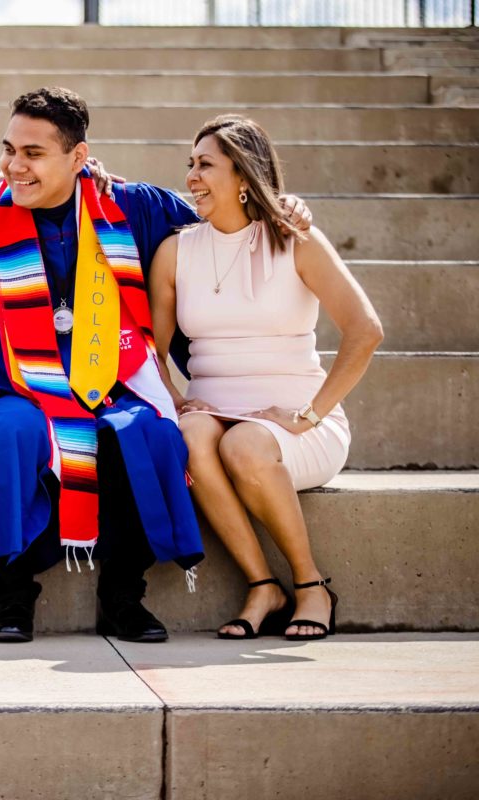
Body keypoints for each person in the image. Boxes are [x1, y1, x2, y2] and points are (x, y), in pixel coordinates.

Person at [0, 87, 311, 644]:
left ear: (78, 158)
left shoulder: (130, 208)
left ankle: (123, 598)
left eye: (34, 154)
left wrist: (279, 206)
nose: (14, 166)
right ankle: (14, 598)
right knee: (9, 434)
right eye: (9, 150)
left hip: (111, 384)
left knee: (144, 429)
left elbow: (222, 220)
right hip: (17, 390)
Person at [149, 114, 382, 641]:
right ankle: (262, 585)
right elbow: (150, 350)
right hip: (212, 414)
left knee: (247, 445)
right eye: (190, 164)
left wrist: (309, 415)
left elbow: (366, 330)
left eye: (206, 164)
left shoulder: (296, 240)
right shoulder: (175, 251)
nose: (192, 176)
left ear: (244, 175)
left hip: (298, 426)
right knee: (188, 436)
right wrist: (175, 397)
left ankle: (310, 584)